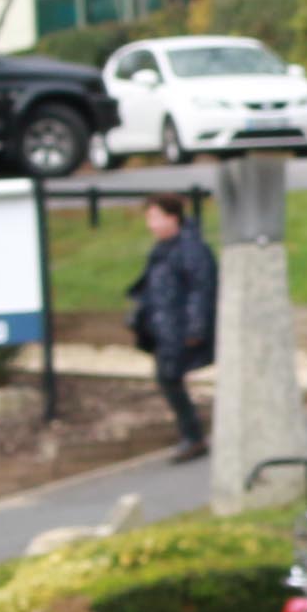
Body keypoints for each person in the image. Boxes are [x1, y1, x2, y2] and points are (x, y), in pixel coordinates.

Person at [129, 193, 217, 458]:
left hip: (180, 329)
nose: (151, 224)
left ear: (172, 217)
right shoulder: (162, 250)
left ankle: (194, 437)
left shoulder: (190, 249)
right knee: (168, 379)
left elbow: (201, 290)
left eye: (155, 217)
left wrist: (195, 328)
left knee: (170, 378)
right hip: (165, 329)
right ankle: (191, 436)